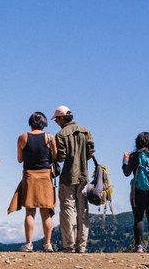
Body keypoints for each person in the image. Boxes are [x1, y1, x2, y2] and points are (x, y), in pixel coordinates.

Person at [6, 112, 56, 253]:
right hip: (46, 176)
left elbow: (19, 159)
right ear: (44, 123)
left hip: (29, 176)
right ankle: (48, 244)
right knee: (46, 212)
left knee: (30, 211)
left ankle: (28, 244)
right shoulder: (50, 138)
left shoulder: (23, 137)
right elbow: (56, 156)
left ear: (30, 122)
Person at [52, 105, 94, 254]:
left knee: (67, 210)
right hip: (83, 176)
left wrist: (53, 153)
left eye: (57, 119)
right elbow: (90, 153)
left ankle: (69, 245)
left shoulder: (60, 135)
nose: (56, 122)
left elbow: (61, 158)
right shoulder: (86, 131)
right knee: (82, 211)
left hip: (68, 177)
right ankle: (82, 246)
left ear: (62, 118)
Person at [122, 132, 149, 253]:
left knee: (138, 218)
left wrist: (125, 161)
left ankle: (139, 246)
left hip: (138, 191)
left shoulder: (135, 156)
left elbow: (126, 173)